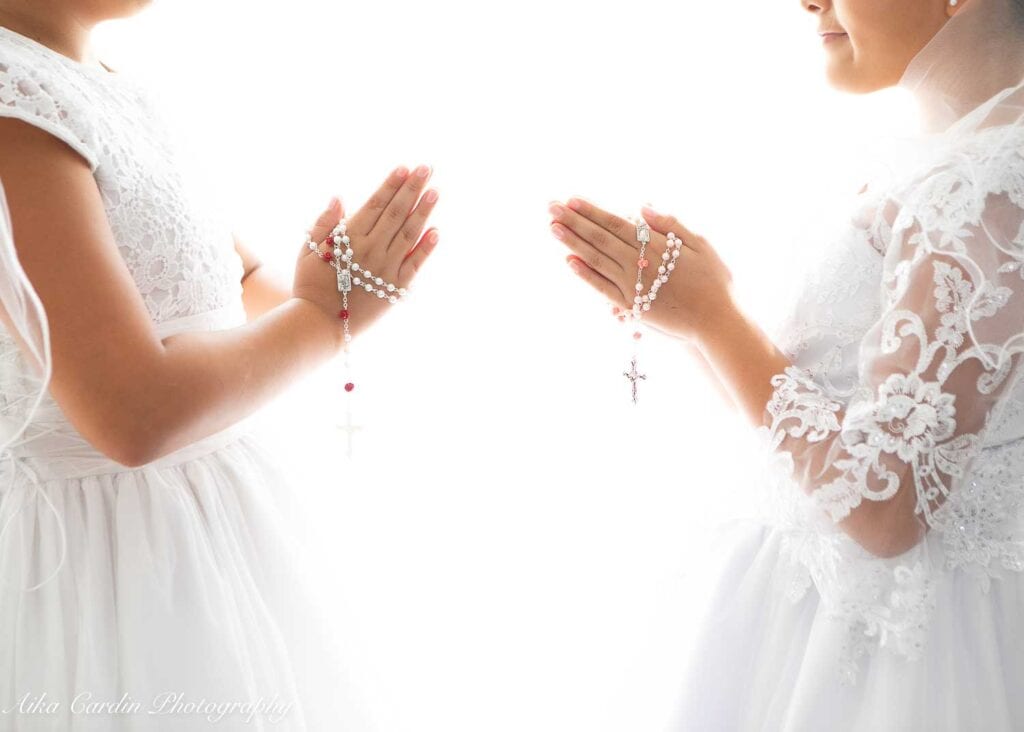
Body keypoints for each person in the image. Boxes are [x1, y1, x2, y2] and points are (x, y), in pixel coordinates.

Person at [550, 0, 1024, 728]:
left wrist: (716, 318)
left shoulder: (987, 193)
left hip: (888, 669)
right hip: (805, 619)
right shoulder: (942, 163)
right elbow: (823, 438)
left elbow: (887, 506)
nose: (807, 1)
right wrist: (698, 321)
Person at [0, 1, 440, 729]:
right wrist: (319, 318)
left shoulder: (105, 80)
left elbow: (227, 286)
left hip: (215, 528)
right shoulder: (15, 109)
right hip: (103, 564)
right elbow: (129, 413)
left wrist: (345, 289)